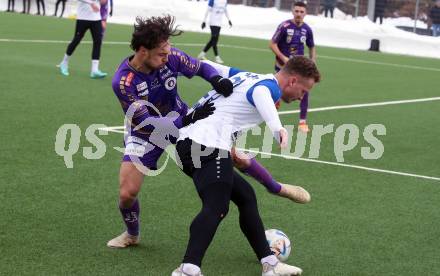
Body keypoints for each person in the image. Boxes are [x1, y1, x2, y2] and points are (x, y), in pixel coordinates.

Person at [107, 15, 310, 249]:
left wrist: (216, 80)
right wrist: (187, 118)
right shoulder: (123, 82)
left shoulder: (170, 56)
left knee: (230, 153)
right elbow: (148, 123)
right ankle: (132, 234)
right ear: (143, 51)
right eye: (161, 55)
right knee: (127, 193)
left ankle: (276, 187)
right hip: (145, 131)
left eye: (167, 52)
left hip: (183, 119)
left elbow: (201, 66)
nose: (167, 58)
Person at [172, 56, 321, 276]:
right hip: (205, 143)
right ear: (292, 81)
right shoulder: (269, 87)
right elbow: (260, 94)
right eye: (304, 90)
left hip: (189, 142)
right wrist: (276, 127)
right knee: (217, 207)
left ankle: (270, 264)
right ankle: (188, 269)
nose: (302, 97)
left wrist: (188, 62)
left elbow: (212, 66)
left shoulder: (245, 75)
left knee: (246, 196)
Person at [269, 1, 316, 133]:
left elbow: (311, 46)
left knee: (304, 90)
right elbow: (272, 44)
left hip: (298, 68)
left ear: (305, 13)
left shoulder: (307, 29)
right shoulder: (284, 26)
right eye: (297, 11)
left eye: (301, 12)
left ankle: (302, 122)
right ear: (292, 11)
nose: (299, 14)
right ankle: (269, 115)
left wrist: (312, 61)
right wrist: (283, 58)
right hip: (283, 67)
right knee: (275, 91)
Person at [57, 0, 107, 78]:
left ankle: (94, 70)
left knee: (98, 42)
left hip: (96, 18)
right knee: (76, 40)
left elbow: (103, 2)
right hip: (83, 18)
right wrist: (91, 3)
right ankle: (64, 62)